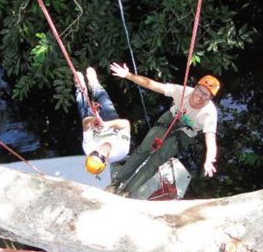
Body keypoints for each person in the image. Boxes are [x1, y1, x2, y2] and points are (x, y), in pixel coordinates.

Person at [106, 62, 220, 197]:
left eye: (206, 95)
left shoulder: (209, 113)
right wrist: (128, 75)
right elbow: (153, 85)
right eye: (200, 90)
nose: (200, 96)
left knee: (155, 162)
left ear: (210, 98)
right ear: (195, 87)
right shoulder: (183, 92)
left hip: (186, 132)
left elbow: (210, 138)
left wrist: (209, 159)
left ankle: (126, 192)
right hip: (170, 118)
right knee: (143, 150)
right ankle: (115, 183)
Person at [76, 67, 132, 176]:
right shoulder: (121, 151)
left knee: (83, 107)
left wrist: (93, 120)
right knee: (106, 102)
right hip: (111, 123)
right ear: (105, 162)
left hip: (94, 124)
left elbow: (85, 124)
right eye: (101, 157)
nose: (99, 151)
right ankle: (95, 85)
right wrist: (106, 124)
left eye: (94, 153)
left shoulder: (88, 148)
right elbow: (126, 124)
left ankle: (80, 87)